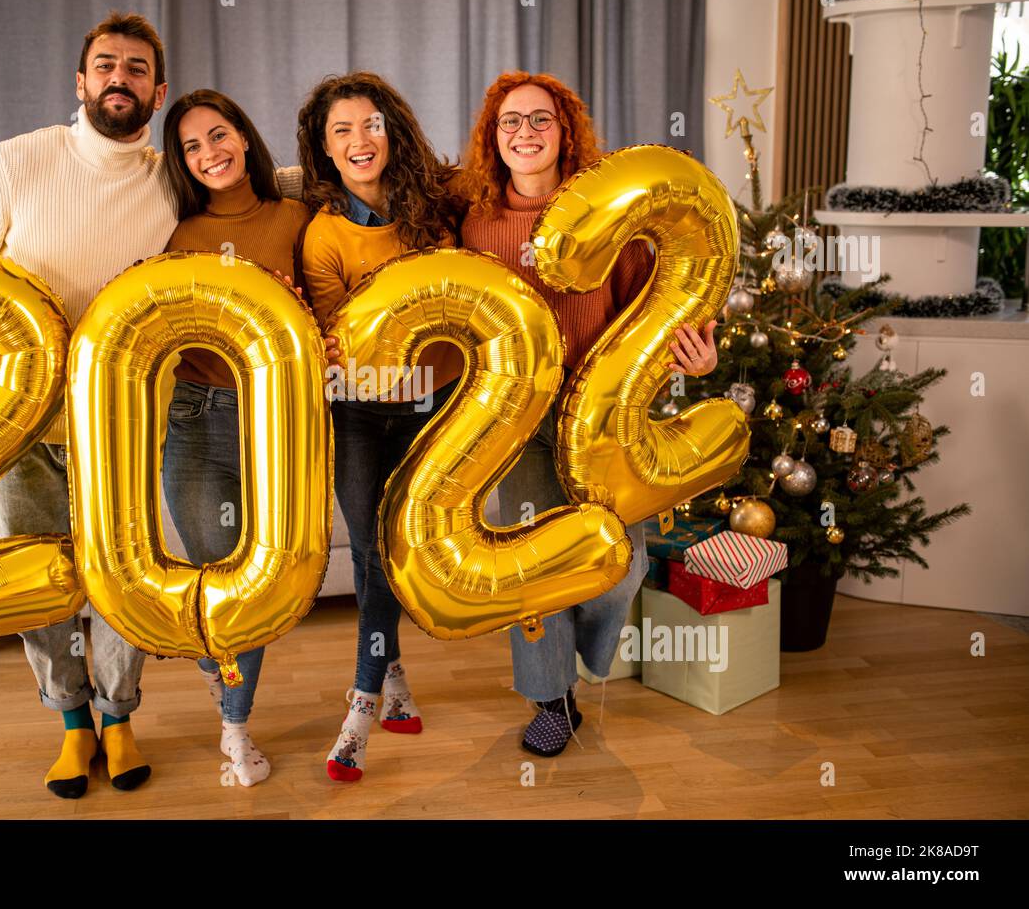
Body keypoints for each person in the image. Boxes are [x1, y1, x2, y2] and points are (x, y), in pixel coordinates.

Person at [0, 12, 175, 799]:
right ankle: (71, 724)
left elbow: (263, 187)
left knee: (120, 576)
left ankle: (119, 715)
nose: (119, 79)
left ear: (158, 92)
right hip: (16, 419)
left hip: (121, 420)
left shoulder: (176, 179)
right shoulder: (15, 162)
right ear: (80, 82)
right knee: (37, 576)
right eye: (106, 65)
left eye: (137, 69)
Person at [456, 72, 718, 756]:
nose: (526, 133)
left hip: (603, 417)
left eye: (541, 120)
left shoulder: (615, 219)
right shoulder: (474, 220)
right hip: (515, 422)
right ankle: (550, 700)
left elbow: (653, 316)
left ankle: (580, 662)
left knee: (622, 562)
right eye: (510, 122)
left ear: (565, 132)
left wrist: (693, 357)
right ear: (493, 138)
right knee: (533, 567)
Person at [297, 72, 463, 782]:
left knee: (402, 547)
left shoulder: (440, 208)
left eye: (371, 124)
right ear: (324, 150)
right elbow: (346, 342)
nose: (359, 140)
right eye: (342, 131)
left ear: (392, 133)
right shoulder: (323, 235)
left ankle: (382, 677)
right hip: (360, 410)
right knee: (369, 550)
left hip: (438, 403)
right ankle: (370, 698)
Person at [160, 89, 311, 786]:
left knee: (252, 591)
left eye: (218, 136)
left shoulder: (297, 217)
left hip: (275, 418)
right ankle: (235, 724)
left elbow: (329, 318)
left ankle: (228, 701)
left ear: (244, 138)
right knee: (222, 586)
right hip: (195, 419)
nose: (209, 153)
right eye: (192, 146)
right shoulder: (176, 233)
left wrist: (297, 303)